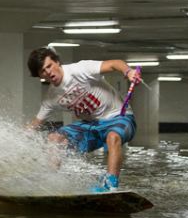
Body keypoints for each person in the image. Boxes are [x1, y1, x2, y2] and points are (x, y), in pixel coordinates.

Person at [26, 47, 141, 192]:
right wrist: (17, 138)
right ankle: (51, 181)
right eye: (43, 71)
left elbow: (114, 63)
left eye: (49, 66)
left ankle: (111, 184)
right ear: (40, 75)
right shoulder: (51, 98)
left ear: (57, 62)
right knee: (53, 138)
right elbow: (35, 123)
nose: (48, 72)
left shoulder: (79, 69)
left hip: (120, 117)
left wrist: (128, 72)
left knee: (113, 136)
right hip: (92, 126)